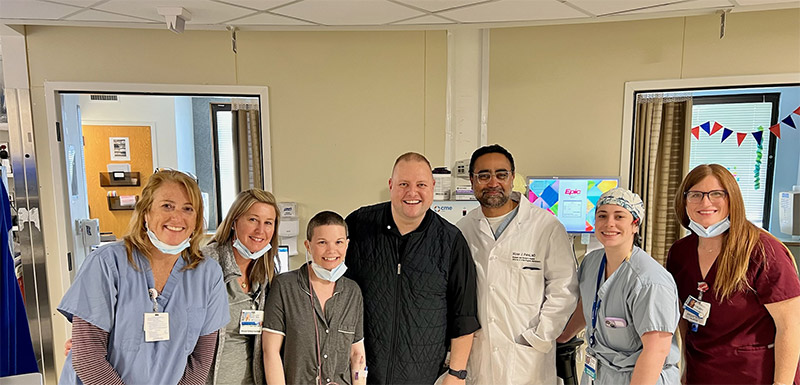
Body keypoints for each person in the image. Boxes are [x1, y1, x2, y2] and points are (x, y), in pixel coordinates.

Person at [57, 169, 229, 385]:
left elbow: (201, 359)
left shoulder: (207, 275)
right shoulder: (107, 264)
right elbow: (88, 358)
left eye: (188, 209)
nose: (177, 217)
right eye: (167, 206)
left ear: (196, 220)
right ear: (146, 212)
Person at [344, 152, 480, 384]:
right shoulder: (358, 226)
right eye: (404, 184)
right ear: (391, 185)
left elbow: (464, 315)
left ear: (433, 187)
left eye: (421, 185)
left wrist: (457, 375)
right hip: (360, 374)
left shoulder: (450, 241)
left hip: (423, 376)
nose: (412, 192)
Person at [456, 144, 579, 384]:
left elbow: (564, 289)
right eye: (484, 175)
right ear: (472, 181)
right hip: (478, 358)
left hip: (527, 360)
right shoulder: (463, 230)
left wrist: (539, 337)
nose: (493, 182)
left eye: (501, 174)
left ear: (512, 178)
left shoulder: (546, 227)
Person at [666, 164, 800, 384]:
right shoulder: (680, 253)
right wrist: (685, 370)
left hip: (754, 375)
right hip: (701, 373)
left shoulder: (763, 251)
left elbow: (791, 326)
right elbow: (684, 321)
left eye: (716, 194)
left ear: (733, 198)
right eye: (695, 195)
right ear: (684, 201)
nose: (705, 202)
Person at [558, 188, 680, 385]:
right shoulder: (591, 262)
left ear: (635, 225)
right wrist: (563, 337)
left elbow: (656, 350)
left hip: (640, 376)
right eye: (602, 216)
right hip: (599, 371)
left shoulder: (649, 281)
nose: (609, 223)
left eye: (619, 216)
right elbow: (588, 305)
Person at [262, 211, 366, 385]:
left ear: (347, 245)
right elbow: (270, 351)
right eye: (322, 242)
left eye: (339, 242)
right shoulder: (285, 286)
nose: (332, 250)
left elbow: (357, 356)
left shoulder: (352, 292)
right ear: (308, 246)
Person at [201, 189, 280, 385]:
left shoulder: (268, 271)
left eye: (268, 223)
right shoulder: (206, 264)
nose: (260, 231)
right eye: (253, 220)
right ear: (235, 222)